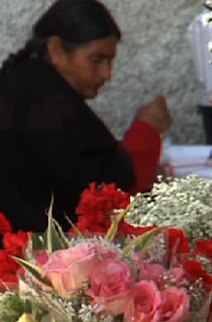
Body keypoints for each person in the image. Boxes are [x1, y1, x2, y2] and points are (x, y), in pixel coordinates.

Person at [0, 0, 174, 233]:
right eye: (96, 60)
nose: (107, 74)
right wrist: (147, 129)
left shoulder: (26, 81)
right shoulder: (45, 101)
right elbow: (113, 197)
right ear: (56, 49)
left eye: (110, 61)